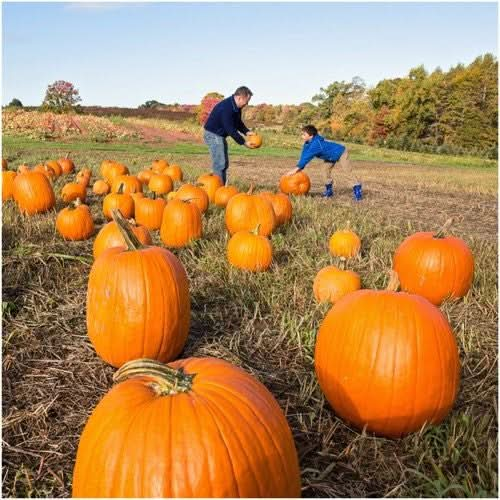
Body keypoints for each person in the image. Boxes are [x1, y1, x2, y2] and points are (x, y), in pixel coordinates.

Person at [285, 125, 362, 200]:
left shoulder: (316, 144)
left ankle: (357, 190)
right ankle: (329, 191)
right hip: (330, 156)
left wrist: (295, 170)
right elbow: (304, 156)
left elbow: (307, 158)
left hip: (341, 152)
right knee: (324, 170)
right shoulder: (307, 143)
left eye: (304, 134)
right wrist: (299, 168)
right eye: (302, 134)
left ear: (311, 136)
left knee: (347, 170)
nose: (302, 136)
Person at [203, 86, 256, 184]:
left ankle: (219, 185)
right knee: (220, 162)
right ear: (240, 98)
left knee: (224, 162)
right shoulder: (226, 108)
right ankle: (218, 188)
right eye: (247, 101)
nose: (247, 104)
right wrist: (244, 142)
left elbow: (237, 122)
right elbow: (230, 129)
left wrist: (246, 131)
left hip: (219, 135)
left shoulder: (236, 107)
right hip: (213, 134)